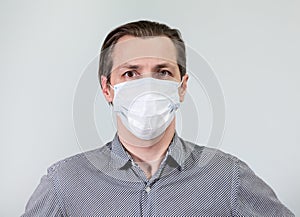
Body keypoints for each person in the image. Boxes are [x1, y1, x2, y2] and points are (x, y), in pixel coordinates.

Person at [22, 20, 294, 216]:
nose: (148, 86)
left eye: (162, 72)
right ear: (107, 89)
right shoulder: (65, 182)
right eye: (131, 73)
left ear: (182, 86)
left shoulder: (227, 177)